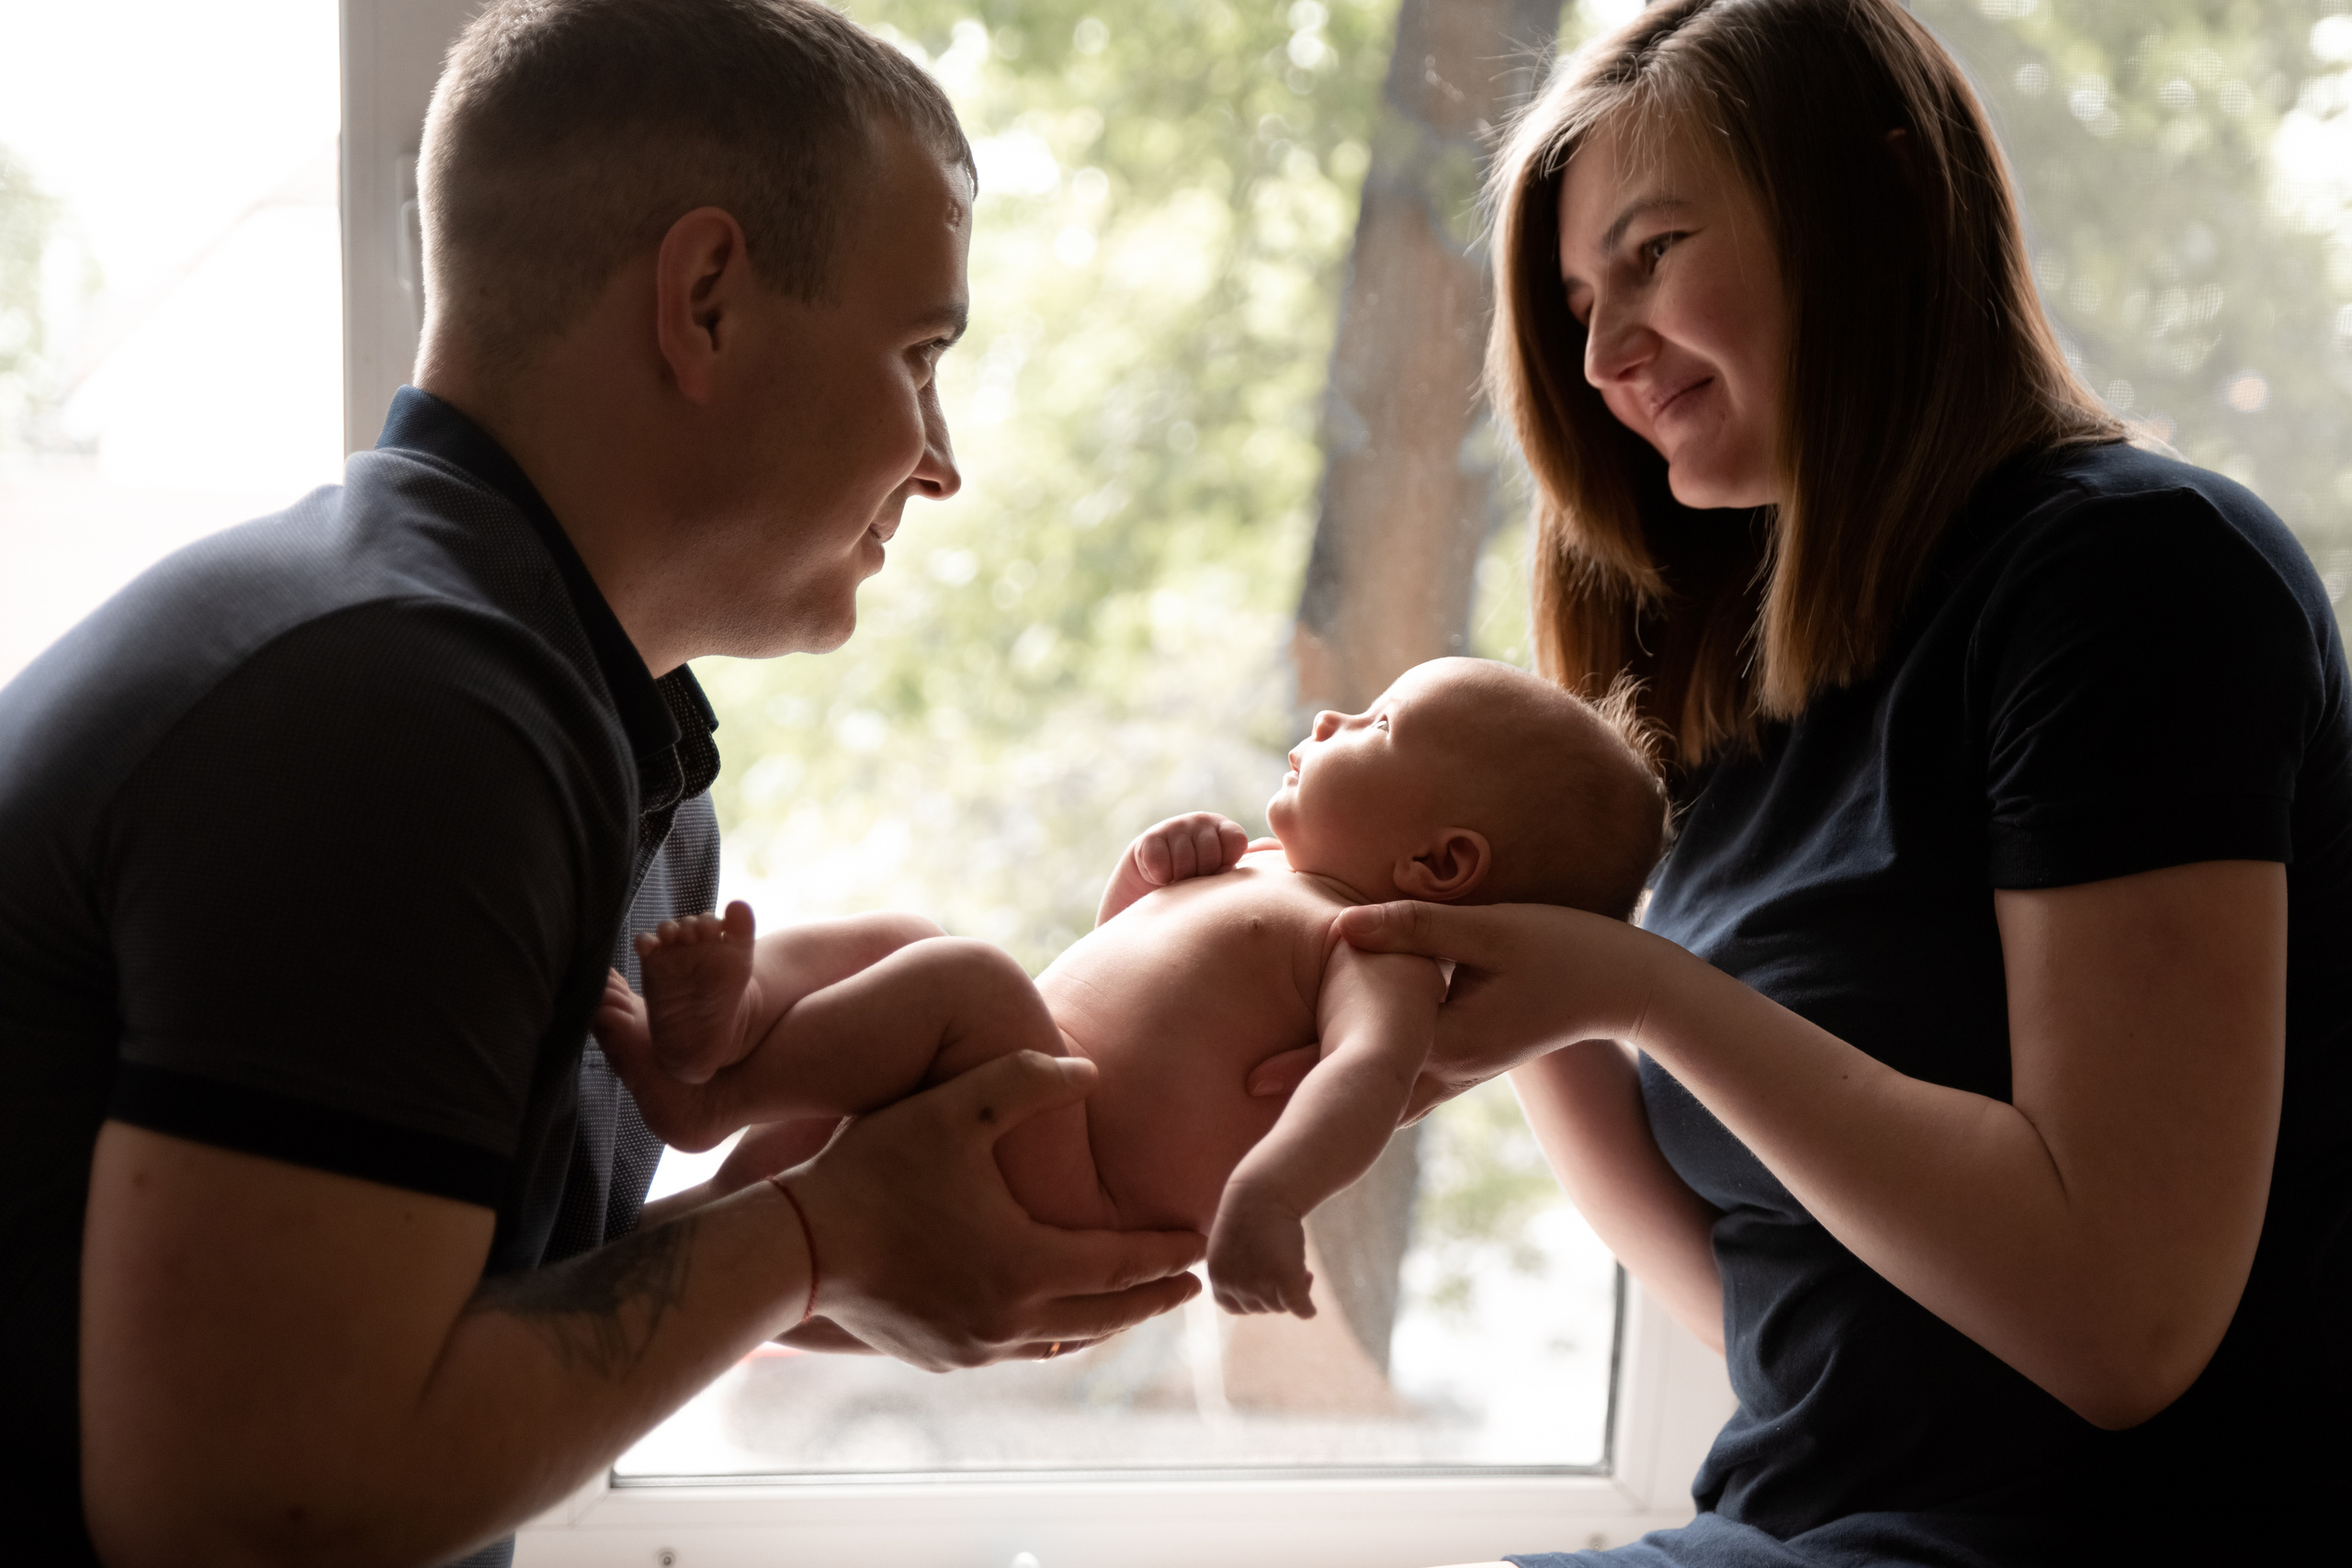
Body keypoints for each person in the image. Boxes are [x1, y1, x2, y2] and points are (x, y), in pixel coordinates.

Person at [0, 4, 1210, 1566]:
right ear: (705, 298)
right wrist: (821, 1234)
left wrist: (865, 1234)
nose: (941, 457)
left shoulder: (578, 726)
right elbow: (251, 1503)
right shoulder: (399, 719)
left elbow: (431, 1329)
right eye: (921, 354)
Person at [1333, 2, 2350, 1563]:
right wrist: (1499, 961)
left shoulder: (2135, 582)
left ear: (1878, 197)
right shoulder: (1733, 668)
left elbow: (2123, 1325)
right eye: (1581, 301)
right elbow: (1776, 1311)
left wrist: (1636, 985)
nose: (1602, 355)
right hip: (1798, 1526)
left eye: (1655, 250)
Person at [595, 658, 1668, 1318]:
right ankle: (724, 1057)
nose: (1334, 721)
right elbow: (1116, 960)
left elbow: (1366, 1079)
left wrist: (1270, 1200)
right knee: (903, 937)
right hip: (1035, 1092)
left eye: (1378, 725)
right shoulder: (1261, 871)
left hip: (1076, 1181)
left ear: (1441, 867)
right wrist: (1147, 875)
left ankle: (712, 1094)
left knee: (960, 971)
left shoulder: (1377, 952)